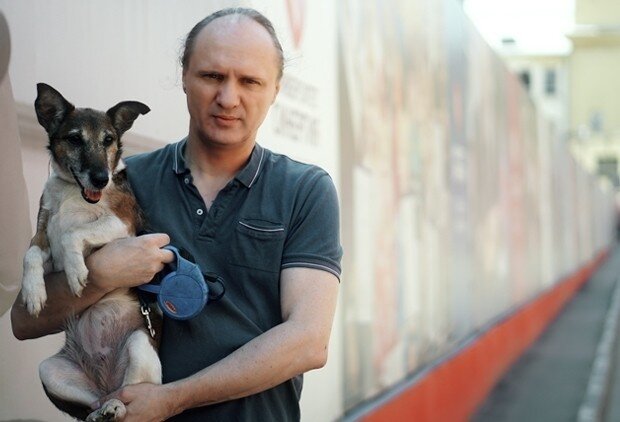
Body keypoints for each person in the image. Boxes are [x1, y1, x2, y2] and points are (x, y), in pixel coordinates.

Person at [10, 7, 342, 421]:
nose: (228, 98)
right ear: (184, 76)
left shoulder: (304, 190)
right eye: (212, 75)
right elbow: (24, 321)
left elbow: (309, 341)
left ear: (276, 89)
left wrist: (174, 398)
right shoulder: (120, 181)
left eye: (250, 81)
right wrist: (101, 275)